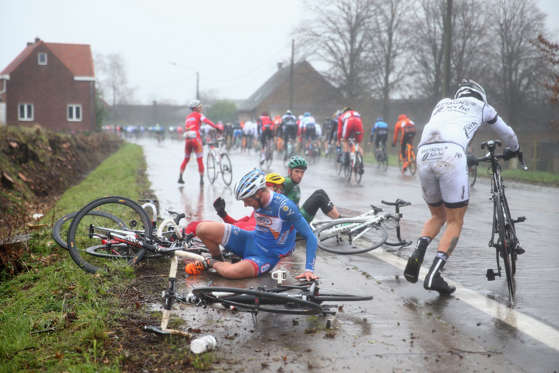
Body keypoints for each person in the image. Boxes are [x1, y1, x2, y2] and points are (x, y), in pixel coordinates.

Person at [403, 79, 521, 295]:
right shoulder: (482, 107)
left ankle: (418, 252)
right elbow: (508, 134)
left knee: (436, 216)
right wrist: (514, 149)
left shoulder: (442, 104)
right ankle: (434, 274)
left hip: (424, 154)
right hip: (451, 152)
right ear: (480, 96)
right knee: (454, 220)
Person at [184, 169, 319, 280]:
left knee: (231, 273)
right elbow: (241, 223)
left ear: (259, 193)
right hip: (250, 240)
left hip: (265, 256)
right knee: (202, 228)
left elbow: (310, 237)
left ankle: (210, 263)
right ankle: (218, 259)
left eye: (247, 200)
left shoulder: (284, 207)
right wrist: (223, 215)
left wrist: (309, 269)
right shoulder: (258, 199)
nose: (245, 204)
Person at [283, 156, 342, 223]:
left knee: (320, 192)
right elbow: (274, 188)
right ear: (289, 171)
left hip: (298, 216)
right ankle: (341, 222)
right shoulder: (287, 182)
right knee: (319, 196)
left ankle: (340, 220)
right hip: (293, 223)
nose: (300, 175)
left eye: (302, 172)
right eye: (296, 171)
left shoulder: (295, 184)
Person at [178, 99, 223, 185]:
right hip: (196, 139)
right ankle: (201, 180)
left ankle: (180, 177)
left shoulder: (187, 117)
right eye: (200, 106)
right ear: (195, 108)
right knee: (199, 160)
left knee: (186, 159)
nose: (201, 107)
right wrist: (217, 127)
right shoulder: (199, 115)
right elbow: (207, 121)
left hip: (187, 139)